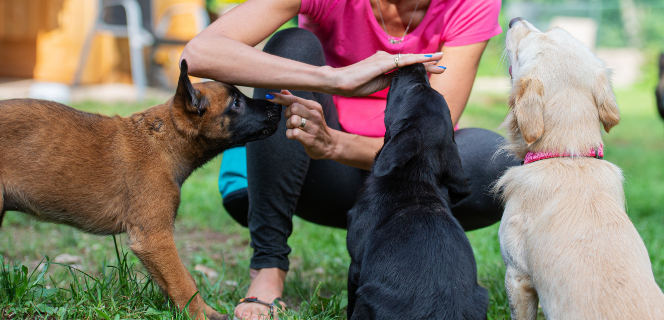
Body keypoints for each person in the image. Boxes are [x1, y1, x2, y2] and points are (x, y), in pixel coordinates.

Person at [181, 0, 517, 318]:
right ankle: (268, 267)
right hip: (317, 172)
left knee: (498, 161)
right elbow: (199, 53)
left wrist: (336, 144)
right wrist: (334, 78)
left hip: (409, 188)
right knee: (292, 45)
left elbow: (431, 140)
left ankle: (409, 262)